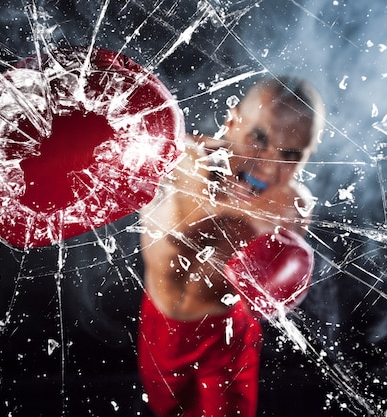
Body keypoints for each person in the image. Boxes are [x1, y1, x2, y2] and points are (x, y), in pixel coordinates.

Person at [136, 75, 325, 417]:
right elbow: (174, 240)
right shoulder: (179, 162)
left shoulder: (291, 208)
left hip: (226, 337)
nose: (270, 165)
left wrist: (277, 287)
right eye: (259, 138)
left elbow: (269, 296)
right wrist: (216, 198)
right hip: (159, 328)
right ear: (232, 121)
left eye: (292, 154)